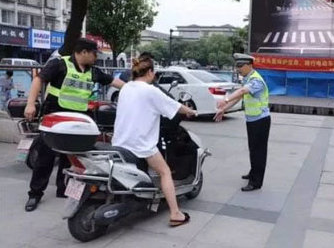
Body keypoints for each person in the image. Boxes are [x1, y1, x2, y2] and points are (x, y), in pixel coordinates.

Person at [23, 38, 125, 212]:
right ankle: (35, 194)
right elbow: (38, 80)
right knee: (45, 157)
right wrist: (30, 103)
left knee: (70, 156)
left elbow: (115, 82)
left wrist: (136, 89)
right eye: (94, 54)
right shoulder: (60, 64)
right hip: (55, 116)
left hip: (78, 119)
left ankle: (63, 188)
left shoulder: (93, 71)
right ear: (83, 52)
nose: (96, 58)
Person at [112, 53, 196, 227]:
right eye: (154, 72)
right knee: (165, 172)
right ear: (149, 72)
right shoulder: (151, 91)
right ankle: (175, 213)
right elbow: (175, 107)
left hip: (120, 142)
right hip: (141, 145)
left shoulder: (126, 88)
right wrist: (192, 111)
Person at [214, 53, 271, 192]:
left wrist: (225, 100)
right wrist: (224, 109)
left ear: (249, 65)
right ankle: (253, 172)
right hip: (253, 119)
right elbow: (240, 96)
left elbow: (243, 91)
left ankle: (256, 182)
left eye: (240, 66)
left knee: (258, 151)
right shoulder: (248, 78)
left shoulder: (256, 80)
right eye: (237, 66)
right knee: (253, 149)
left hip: (260, 120)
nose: (238, 69)